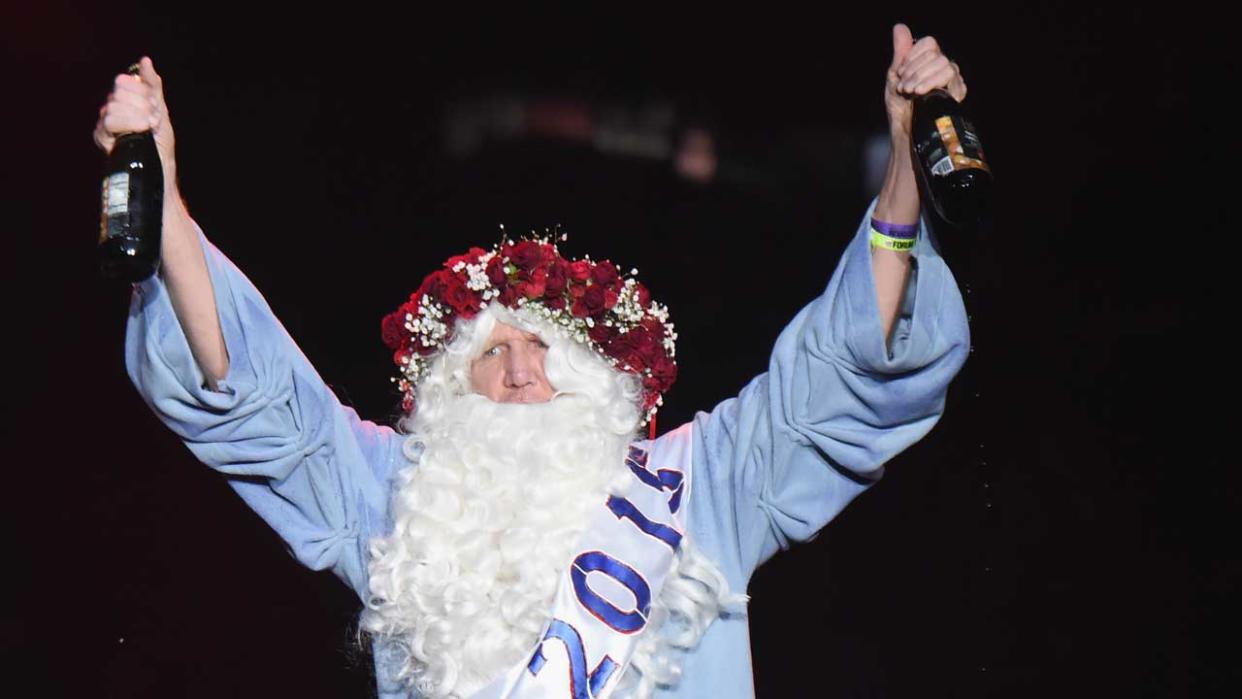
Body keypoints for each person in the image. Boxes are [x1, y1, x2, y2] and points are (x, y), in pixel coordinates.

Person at [100, 23, 971, 699]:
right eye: (491, 354)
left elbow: (846, 371)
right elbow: (247, 397)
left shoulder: (699, 484)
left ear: (592, 383)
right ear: (446, 393)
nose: (520, 373)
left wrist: (903, 161)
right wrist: (167, 198)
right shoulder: (394, 494)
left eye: (543, 351)